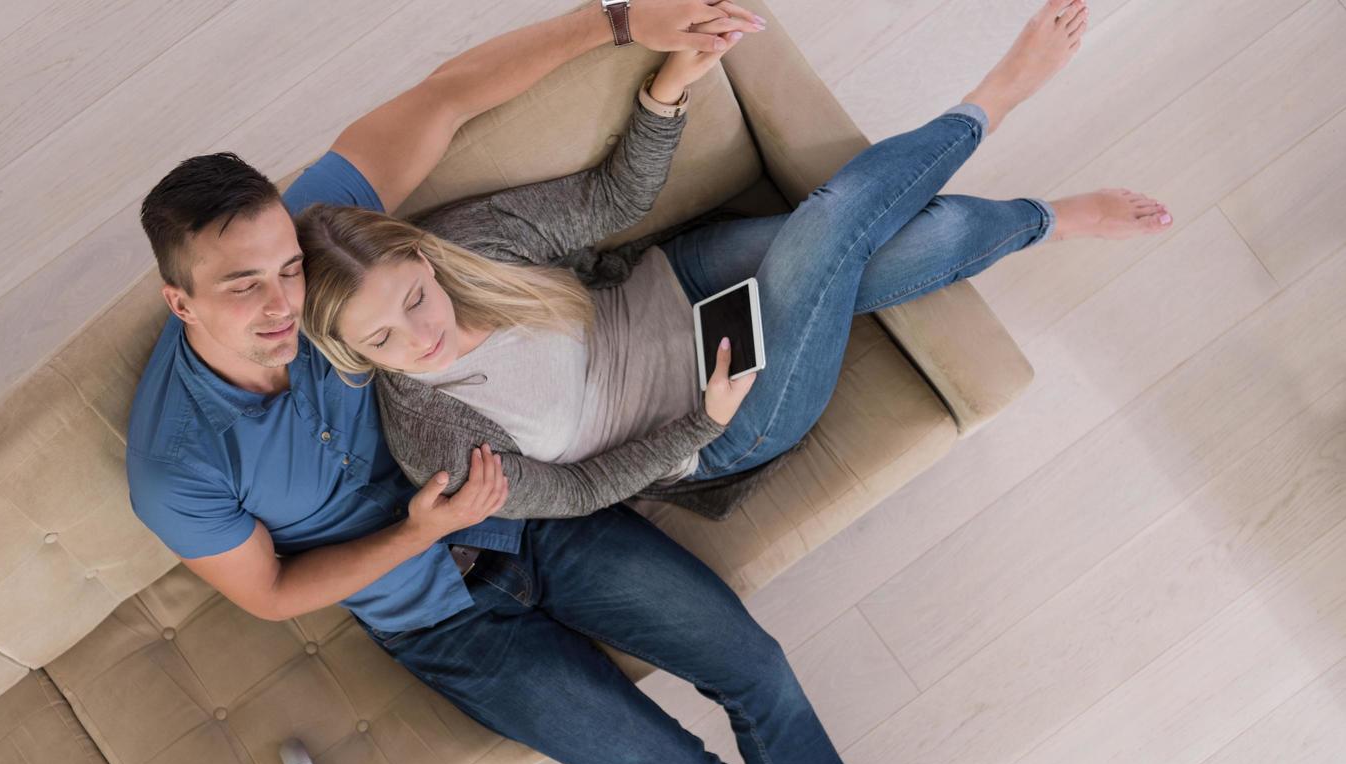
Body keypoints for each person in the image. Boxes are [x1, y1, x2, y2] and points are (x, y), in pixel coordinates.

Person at [127, 0, 965, 764]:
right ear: (180, 300)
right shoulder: (175, 463)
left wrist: (617, 20)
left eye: (284, 267)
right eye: (243, 289)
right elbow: (274, 593)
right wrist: (418, 532)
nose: (284, 304)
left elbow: (443, 99)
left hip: (542, 516)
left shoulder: (323, 253)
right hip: (441, 620)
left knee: (752, 666)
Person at [295, 0, 1171, 523]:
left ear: (419, 256)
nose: (421, 335)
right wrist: (702, 426)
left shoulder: (465, 247)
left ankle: (1043, 220)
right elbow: (574, 492)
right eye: (382, 339)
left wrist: (669, 85)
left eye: (415, 297)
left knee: (879, 236)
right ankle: (996, 100)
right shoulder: (432, 438)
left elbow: (608, 204)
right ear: (350, 354)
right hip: (722, 415)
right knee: (831, 229)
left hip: (681, 286)